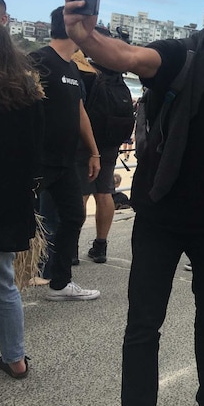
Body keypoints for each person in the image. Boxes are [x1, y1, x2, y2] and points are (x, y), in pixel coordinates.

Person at [63, 0, 204, 406]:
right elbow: (126, 55)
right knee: (143, 324)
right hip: (161, 214)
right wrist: (86, 34)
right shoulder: (180, 55)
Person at [0, 17, 44, 379]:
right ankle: (15, 359)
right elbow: (36, 153)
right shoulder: (26, 93)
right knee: (2, 283)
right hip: (5, 203)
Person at [30, 6, 101, 301]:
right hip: (35, 162)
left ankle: (59, 282)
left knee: (74, 216)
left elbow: (79, 110)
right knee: (15, 222)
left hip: (65, 161)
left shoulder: (72, 66)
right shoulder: (38, 61)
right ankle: (0, 285)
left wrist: (94, 152)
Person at [79, 25, 135, 263]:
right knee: (105, 193)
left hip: (85, 141)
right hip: (110, 143)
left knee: (80, 194)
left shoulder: (86, 70)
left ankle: (70, 247)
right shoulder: (115, 71)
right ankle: (100, 245)